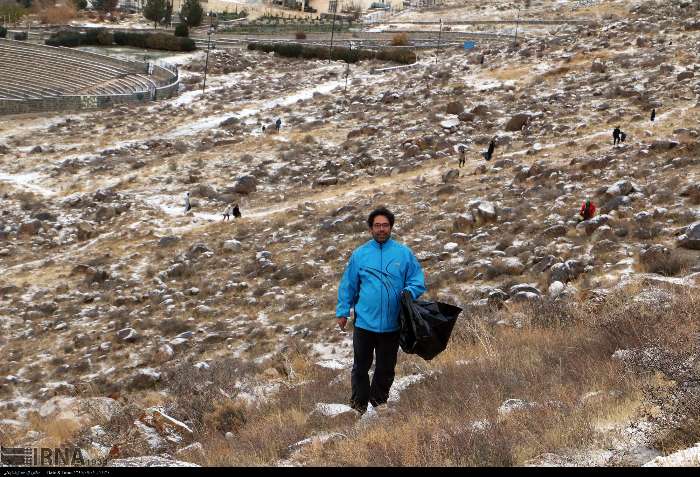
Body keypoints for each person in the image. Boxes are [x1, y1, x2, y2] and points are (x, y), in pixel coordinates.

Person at [336, 207, 426, 416]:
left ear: (391, 227)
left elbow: (417, 280)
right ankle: (358, 407)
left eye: (385, 225)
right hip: (364, 323)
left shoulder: (403, 253)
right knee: (360, 367)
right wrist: (342, 311)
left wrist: (409, 291)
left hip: (393, 324)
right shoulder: (360, 254)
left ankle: (379, 404)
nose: (381, 229)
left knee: (386, 368)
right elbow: (348, 285)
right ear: (370, 228)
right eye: (377, 225)